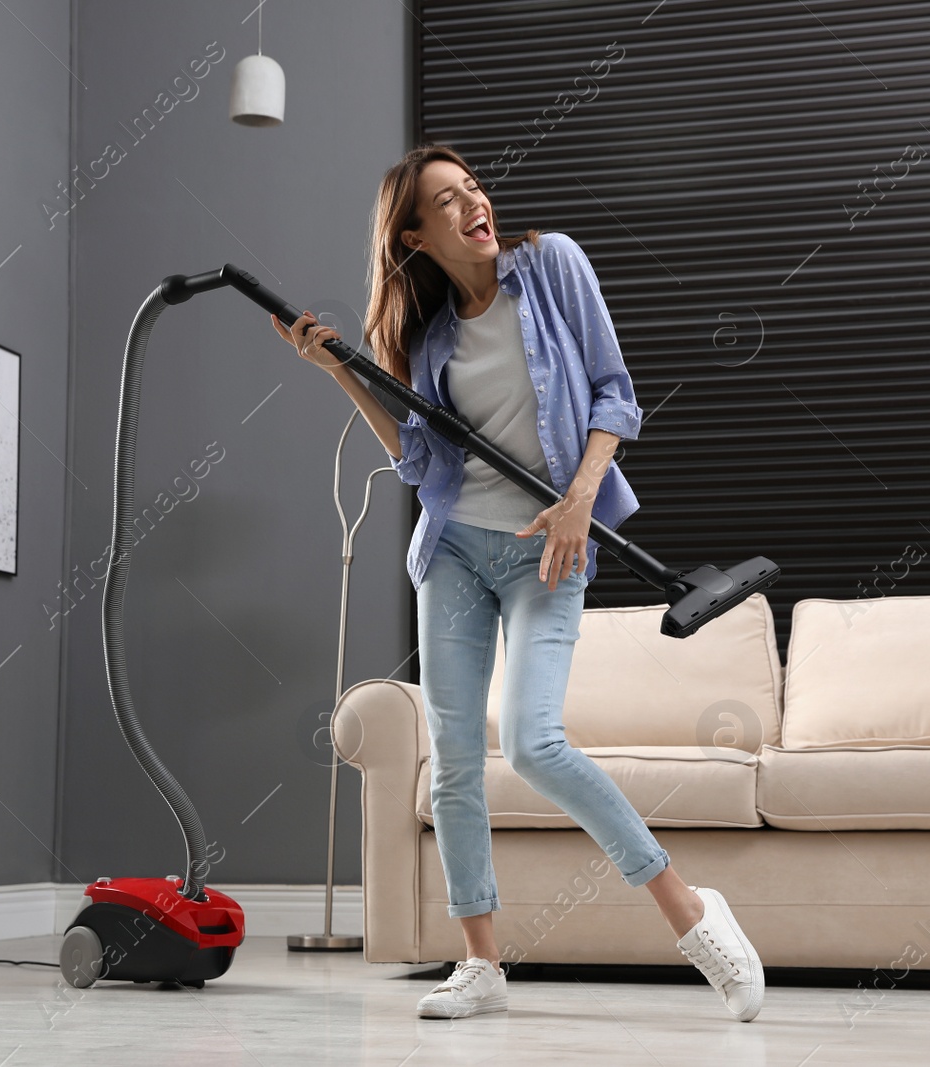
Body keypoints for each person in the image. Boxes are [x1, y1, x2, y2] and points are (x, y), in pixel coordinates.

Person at [270, 144, 763, 1023]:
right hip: (456, 548)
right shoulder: (429, 338)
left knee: (534, 742)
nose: (472, 207)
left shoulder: (552, 266)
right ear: (414, 236)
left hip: (549, 549)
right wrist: (341, 369)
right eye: (446, 203)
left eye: (473, 190)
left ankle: (692, 914)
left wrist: (579, 501)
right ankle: (481, 963)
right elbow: (420, 462)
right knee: (454, 764)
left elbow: (616, 393)